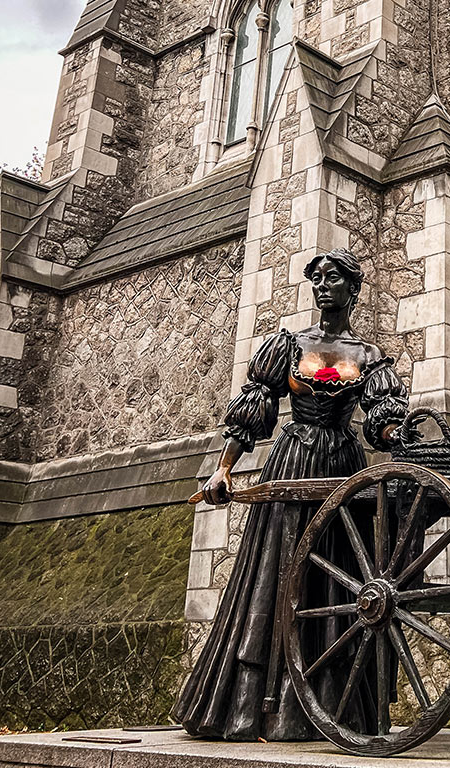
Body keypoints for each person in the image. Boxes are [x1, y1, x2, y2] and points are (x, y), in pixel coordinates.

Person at [174, 250, 409, 740]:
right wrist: (222, 470)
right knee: (274, 579)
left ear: (353, 289)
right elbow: (252, 411)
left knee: (339, 581)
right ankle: (256, 709)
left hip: (343, 469)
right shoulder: (288, 345)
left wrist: (395, 436)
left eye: (334, 278)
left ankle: (330, 709)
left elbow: (382, 419)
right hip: (293, 462)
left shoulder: (367, 355)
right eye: (317, 279)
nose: (324, 286)